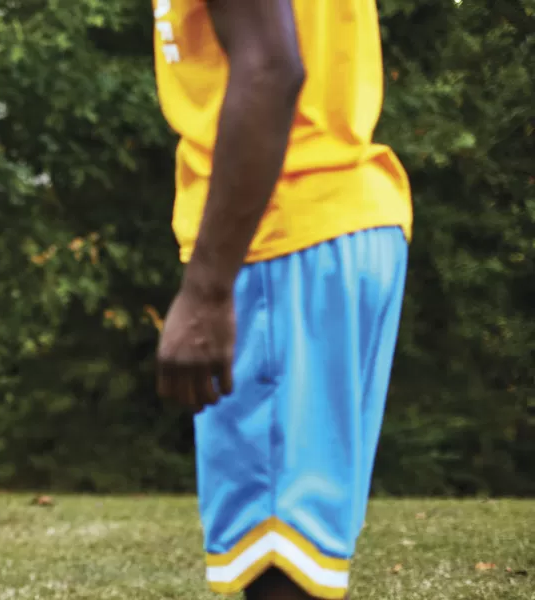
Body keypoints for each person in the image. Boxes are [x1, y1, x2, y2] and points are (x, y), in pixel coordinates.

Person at [150, 1, 412, 599]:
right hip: (328, 218)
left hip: (283, 230)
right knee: (297, 562)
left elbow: (271, 70)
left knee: (279, 567)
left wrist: (207, 288)